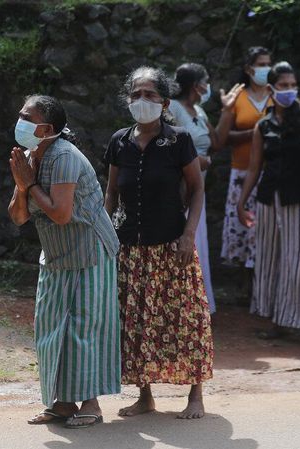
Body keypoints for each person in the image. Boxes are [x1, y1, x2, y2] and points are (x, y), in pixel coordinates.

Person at [104, 66, 213, 419]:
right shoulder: (119, 141)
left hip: (171, 247)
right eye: (136, 94)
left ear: (165, 102)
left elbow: (197, 189)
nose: (142, 100)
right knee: (136, 322)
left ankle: (195, 395)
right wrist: (105, 237)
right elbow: (110, 194)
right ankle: (145, 395)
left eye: (150, 94)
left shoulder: (178, 140)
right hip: (131, 249)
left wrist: (188, 235)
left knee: (186, 319)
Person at [8, 95, 121, 429]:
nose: (21, 122)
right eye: (21, 115)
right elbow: (17, 217)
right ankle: (62, 404)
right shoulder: (30, 157)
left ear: (48, 128)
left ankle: (91, 405)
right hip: (57, 255)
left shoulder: (64, 158)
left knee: (82, 328)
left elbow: (60, 212)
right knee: (50, 327)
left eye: (28, 117)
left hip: (89, 252)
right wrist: (21, 186)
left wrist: (29, 184)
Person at [237, 61, 300, 353]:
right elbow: (255, 167)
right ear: (271, 89)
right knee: (271, 260)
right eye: (283, 86)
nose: (289, 90)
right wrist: (242, 202)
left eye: (293, 85)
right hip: (269, 200)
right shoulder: (263, 125)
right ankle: (277, 322)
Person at [169, 62, 242, 314]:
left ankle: (195, 304)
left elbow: (217, 142)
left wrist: (227, 111)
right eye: (205, 81)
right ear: (195, 85)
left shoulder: (199, 110)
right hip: (180, 188)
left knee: (196, 243)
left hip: (198, 186)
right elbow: (169, 143)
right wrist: (195, 160)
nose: (208, 85)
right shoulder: (174, 109)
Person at [220, 46, 274, 302]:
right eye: (261, 64)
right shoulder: (237, 96)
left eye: (268, 63)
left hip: (270, 172)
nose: (265, 68)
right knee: (241, 230)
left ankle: (262, 285)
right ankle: (244, 285)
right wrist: (255, 132)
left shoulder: (277, 95)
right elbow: (223, 138)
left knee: (264, 229)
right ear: (248, 69)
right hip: (241, 171)